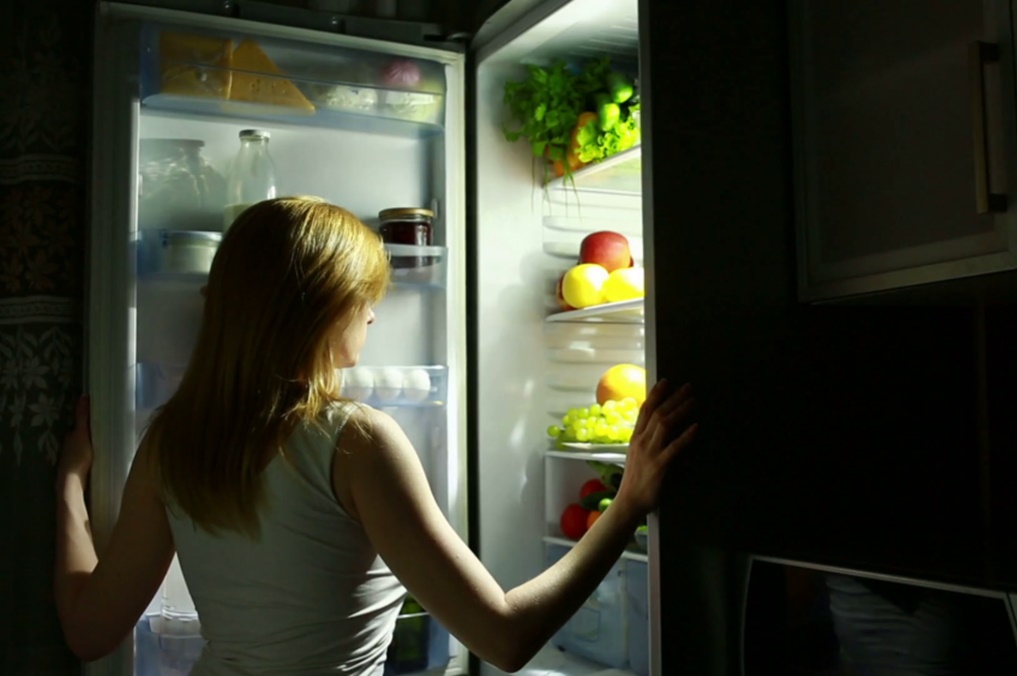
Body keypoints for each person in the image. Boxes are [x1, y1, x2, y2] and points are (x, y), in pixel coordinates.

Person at [55, 196, 697, 674]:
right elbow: (503, 637)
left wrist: (68, 488)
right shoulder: (354, 442)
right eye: (365, 297)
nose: (372, 312)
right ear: (326, 309)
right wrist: (629, 505)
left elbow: (89, 632)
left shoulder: (173, 441)